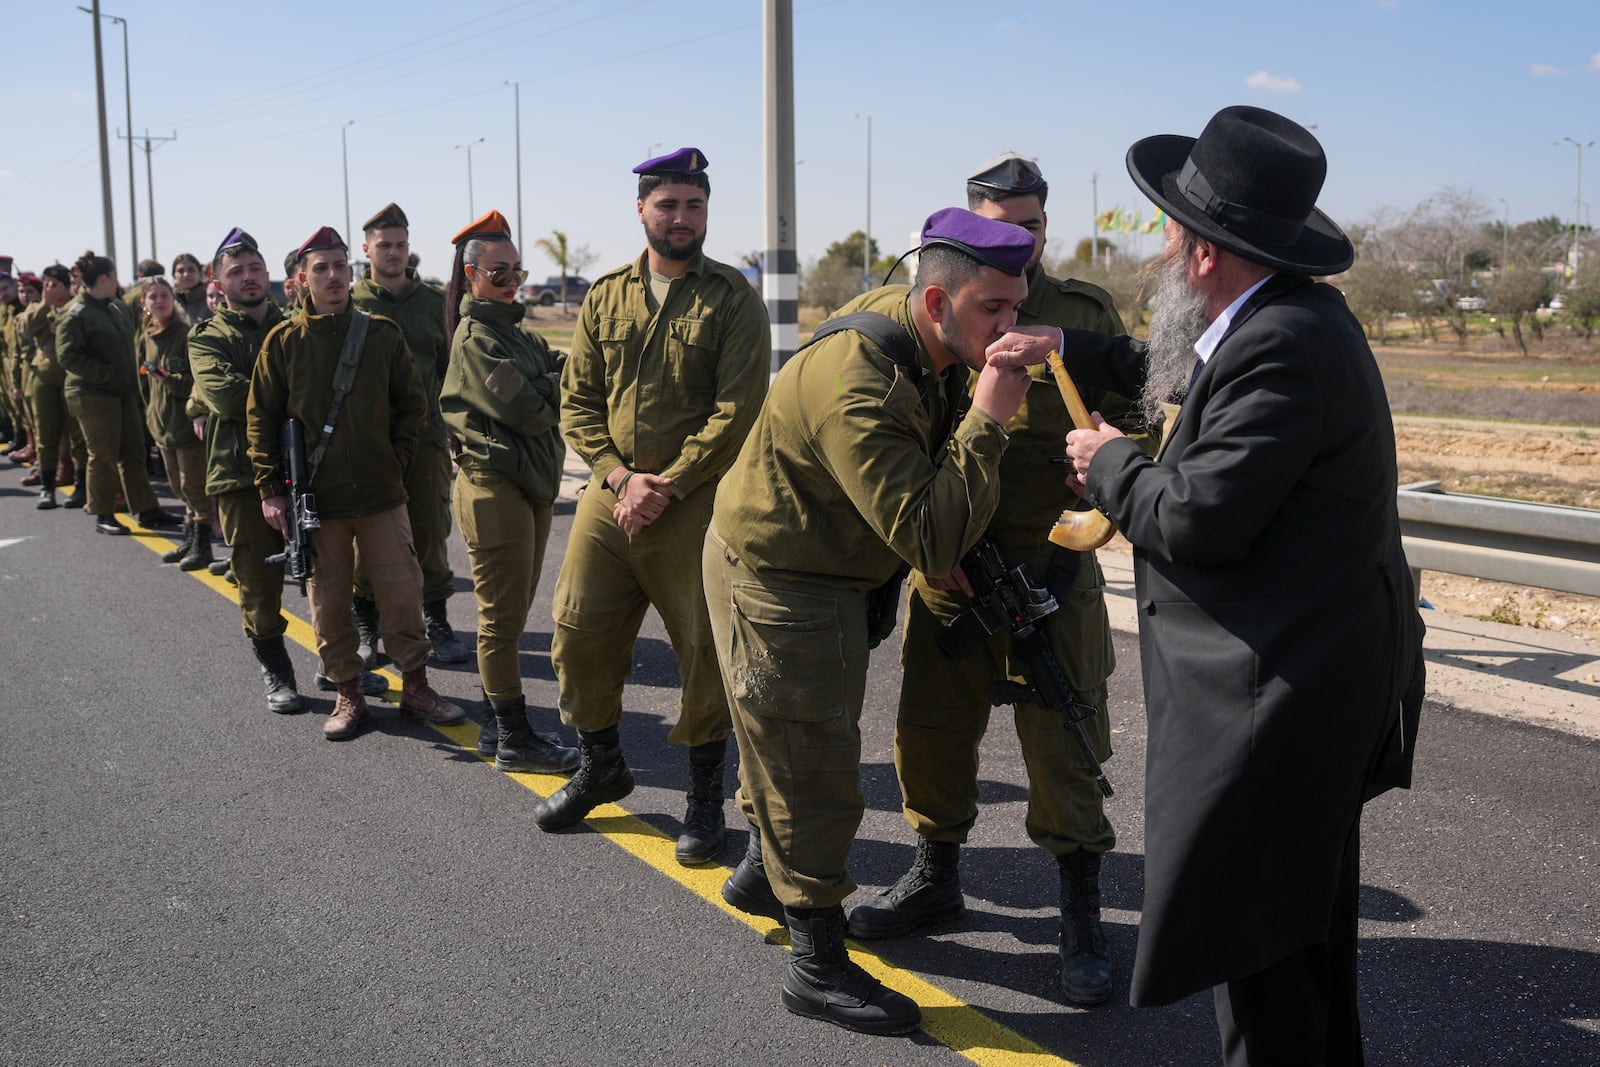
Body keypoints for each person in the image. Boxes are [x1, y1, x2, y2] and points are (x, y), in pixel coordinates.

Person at [1021, 106, 1424, 1064]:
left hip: (1277, 702)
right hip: (1308, 683)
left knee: (1266, 964)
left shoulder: (1281, 347)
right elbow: (1166, 374)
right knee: (1300, 946)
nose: (1158, 250)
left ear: (1203, 255)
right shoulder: (1285, 322)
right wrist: (1065, 347)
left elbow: (1199, 517)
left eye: (1169, 231)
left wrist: (1109, 461)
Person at [706, 208, 1041, 1035]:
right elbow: (929, 536)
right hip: (780, 579)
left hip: (830, 566)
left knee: (793, 743)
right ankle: (815, 962)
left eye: (1017, 307)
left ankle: (760, 871)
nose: (1010, 329)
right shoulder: (859, 376)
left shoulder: (924, 334)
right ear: (936, 301)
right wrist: (991, 416)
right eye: (992, 310)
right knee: (812, 761)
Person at [845, 153, 1157, 1006]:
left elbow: (1144, 414)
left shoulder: (1078, 315)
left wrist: (1112, 464)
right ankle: (936, 875)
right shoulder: (942, 316)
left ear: (1046, 226)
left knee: (1067, 744)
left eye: (1028, 226)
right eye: (998, 225)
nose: (1015, 240)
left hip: (1054, 565)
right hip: (949, 567)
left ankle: (1082, 914)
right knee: (932, 735)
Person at [536, 147, 770, 866]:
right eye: (667, 204)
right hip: (612, 502)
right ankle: (600, 762)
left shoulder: (733, 297)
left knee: (704, 651)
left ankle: (704, 799)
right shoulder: (605, 294)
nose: (680, 218)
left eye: (693, 205)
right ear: (641, 209)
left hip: (694, 505)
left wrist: (662, 481)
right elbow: (577, 400)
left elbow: (737, 409)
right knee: (576, 632)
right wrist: (616, 477)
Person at [247, 225, 465, 741]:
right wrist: (270, 489)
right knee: (328, 601)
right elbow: (261, 417)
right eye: (320, 268)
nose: (332, 276)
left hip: (381, 495)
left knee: (402, 593)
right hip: (316, 503)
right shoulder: (284, 342)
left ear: (352, 271)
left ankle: (416, 685)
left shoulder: (381, 333)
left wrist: (394, 458)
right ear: (302, 281)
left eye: (339, 266)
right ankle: (348, 693)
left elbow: (413, 405)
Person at [439, 209, 578, 773]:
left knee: (515, 613)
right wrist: (551, 386)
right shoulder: (475, 340)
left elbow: (564, 371)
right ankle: (515, 736)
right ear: (471, 276)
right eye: (499, 273)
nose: (511, 282)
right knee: (500, 620)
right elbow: (526, 410)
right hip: (496, 489)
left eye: (517, 272)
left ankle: (499, 727)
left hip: (530, 485)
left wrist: (548, 382)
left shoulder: (515, 335)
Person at [350, 202, 469, 666]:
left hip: (425, 439)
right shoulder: (351, 302)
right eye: (385, 245)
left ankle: (435, 620)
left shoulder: (433, 303)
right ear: (367, 249)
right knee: (367, 536)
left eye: (400, 244)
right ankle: (367, 624)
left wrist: (454, 431)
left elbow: (449, 372)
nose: (394, 253)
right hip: (367, 442)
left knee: (430, 531)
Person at [54, 253, 181, 535]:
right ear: (104, 278)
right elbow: (68, 355)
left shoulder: (113, 306)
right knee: (103, 456)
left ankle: (147, 509)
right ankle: (103, 511)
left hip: (123, 393)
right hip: (93, 395)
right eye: (113, 276)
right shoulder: (77, 313)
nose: (116, 281)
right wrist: (106, 375)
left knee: (134, 453)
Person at [137, 275, 213, 570]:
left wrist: (167, 379)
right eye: (153, 297)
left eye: (164, 295)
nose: (159, 301)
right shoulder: (147, 334)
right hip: (161, 423)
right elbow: (143, 381)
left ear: (173, 299)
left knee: (193, 487)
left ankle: (203, 545)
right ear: (144, 303)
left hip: (183, 424)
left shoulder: (185, 334)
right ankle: (190, 539)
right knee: (178, 487)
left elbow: (194, 382)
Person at [18, 265, 88, 509]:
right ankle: (47, 489)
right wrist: (45, 303)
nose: (51, 288)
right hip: (45, 378)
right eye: (47, 283)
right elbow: (25, 329)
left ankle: (81, 487)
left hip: (72, 376)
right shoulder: (37, 309)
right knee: (46, 435)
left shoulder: (76, 306)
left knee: (78, 436)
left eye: (56, 284)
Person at [169, 252, 212, 323]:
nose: (186, 274)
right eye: (181, 271)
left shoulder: (212, 301)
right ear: (174, 277)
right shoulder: (169, 305)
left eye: (191, 270)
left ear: (200, 274)